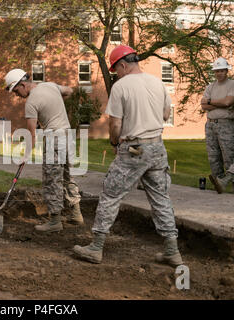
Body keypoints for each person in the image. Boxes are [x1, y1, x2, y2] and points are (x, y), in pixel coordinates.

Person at [73, 45, 183, 267]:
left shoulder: (121, 86)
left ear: (123, 65)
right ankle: (172, 251)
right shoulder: (157, 82)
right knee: (160, 197)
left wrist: (115, 142)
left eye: (116, 70)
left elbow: (115, 123)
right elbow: (165, 113)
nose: (116, 74)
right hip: (157, 148)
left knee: (111, 194)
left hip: (135, 148)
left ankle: (95, 248)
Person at [4, 69, 83, 232]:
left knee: (52, 179)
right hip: (68, 135)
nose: (17, 95)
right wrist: (53, 106)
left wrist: (25, 155)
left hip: (54, 137)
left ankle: (55, 221)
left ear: (23, 84)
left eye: (17, 90)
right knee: (68, 176)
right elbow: (70, 90)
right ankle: (76, 214)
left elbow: (32, 136)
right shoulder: (50, 85)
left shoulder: (31, 103)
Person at [200, 57, 234, 194]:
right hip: (210, 125)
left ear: (227, 71)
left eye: (222, 70)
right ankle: (219, 184)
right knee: (213, 157)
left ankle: (230, 184)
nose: (219, 73)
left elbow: (227, 103)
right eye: (217, 71)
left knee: (229, 156)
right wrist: (215, 103)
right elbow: (203, 105)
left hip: (226, 124)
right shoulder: (210, 87)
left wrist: (210, 102)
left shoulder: (232, 85)